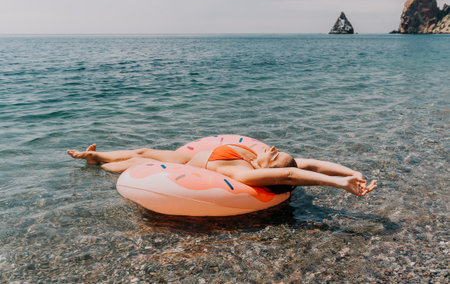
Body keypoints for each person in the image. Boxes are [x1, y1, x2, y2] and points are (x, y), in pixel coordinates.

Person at [67, 143, 376, 196]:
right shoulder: (260, 161)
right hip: (186, 158)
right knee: (143, 150)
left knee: (134, 164)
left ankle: (94, 162)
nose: (270, 148)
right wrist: (352, 172)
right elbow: (313, 163)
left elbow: (291, 175)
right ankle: (98, 155)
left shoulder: (248, 174)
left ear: (269, 168)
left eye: (274, 154)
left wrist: (341, 185)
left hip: (184, 168)